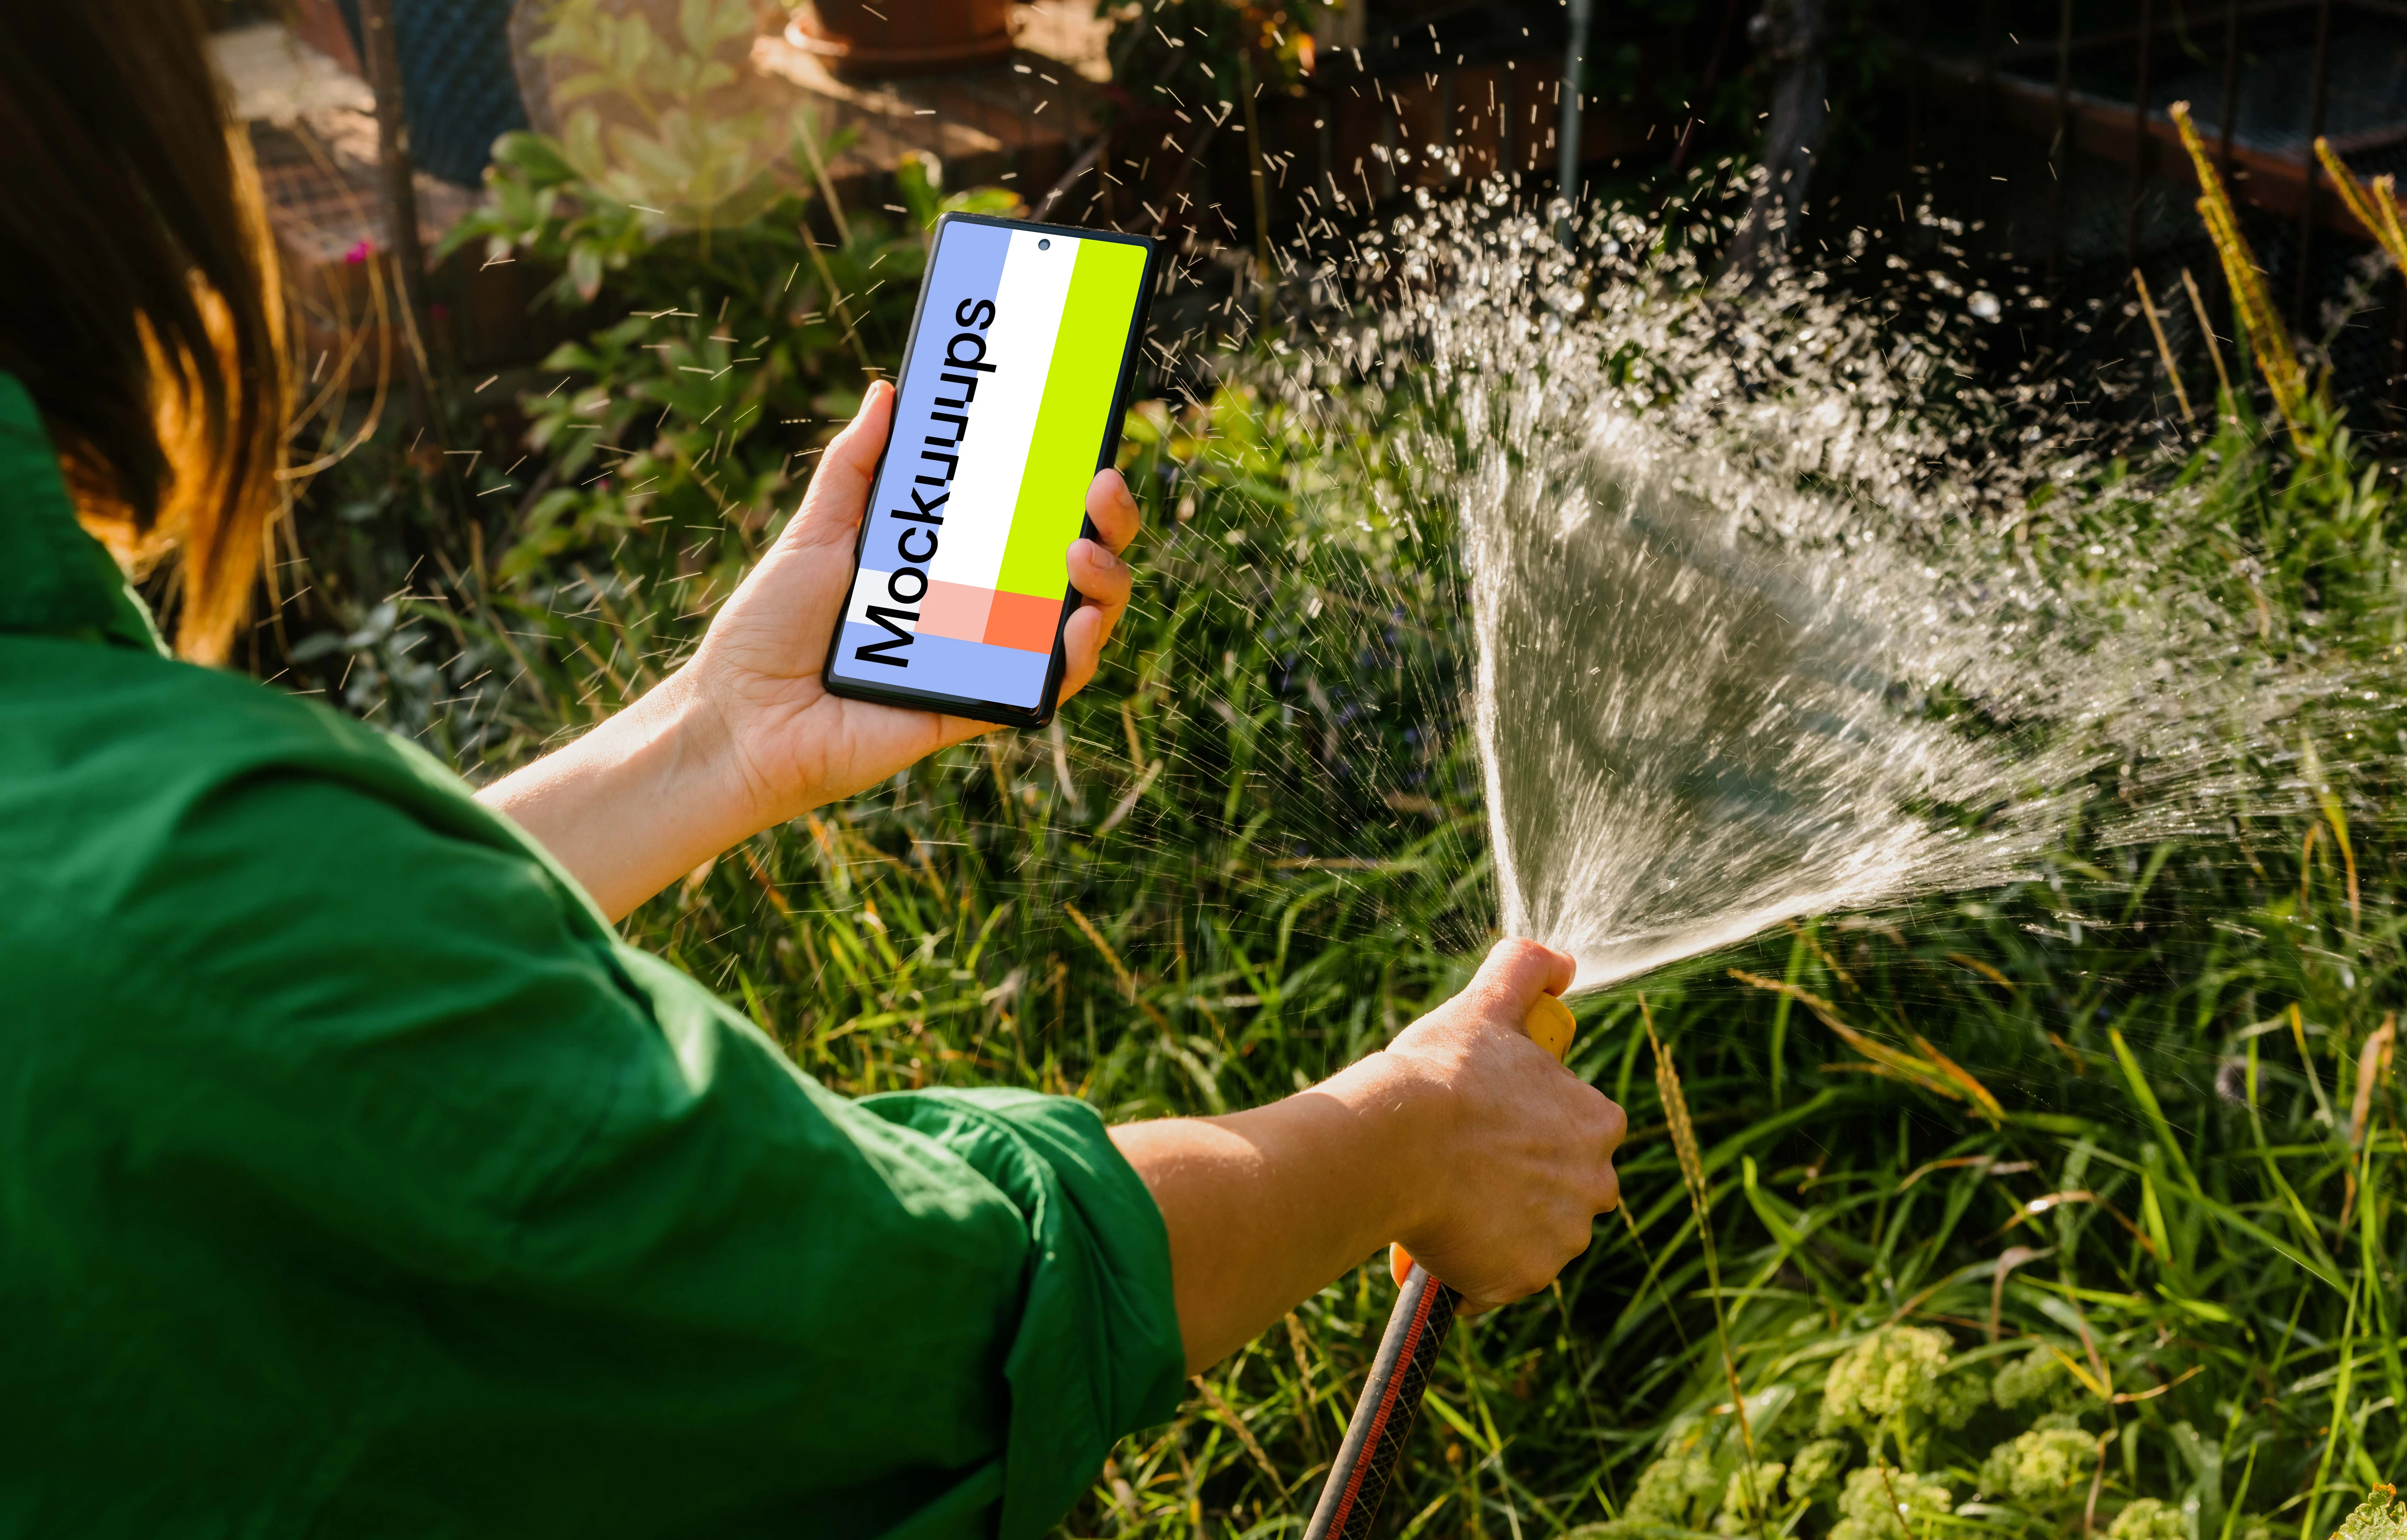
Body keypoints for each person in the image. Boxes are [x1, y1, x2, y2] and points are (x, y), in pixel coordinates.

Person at [0, 4, 1628, 1536]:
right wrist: (1408, 1132)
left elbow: (276, 999)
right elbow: (923, 1323)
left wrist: (712, 739)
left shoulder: (122, 846)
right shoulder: (182, 901)